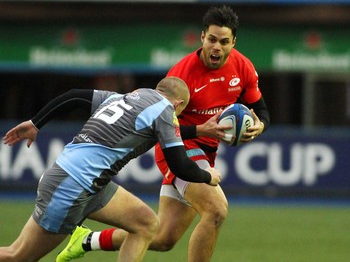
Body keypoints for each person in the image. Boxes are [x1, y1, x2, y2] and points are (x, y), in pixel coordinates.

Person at [59, 5, 270, 262]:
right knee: (216, 211)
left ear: (233, 42)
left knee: (162, 238)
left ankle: (87, 239)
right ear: (202, 37)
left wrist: (260, 125)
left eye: (224, 42)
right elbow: (160, 127)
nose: (217, 47)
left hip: (206, 152)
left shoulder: (243, 66)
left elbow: (260, 108)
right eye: (212, 40)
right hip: (178, 148)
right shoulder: (183, 75)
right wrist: (202, 129)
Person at [0, 77, 222, 262]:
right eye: (180, 111)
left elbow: (75, 96)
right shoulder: (166, 111)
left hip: (87, 182)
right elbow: (180, 165)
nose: (176, 118)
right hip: (70, 187)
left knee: (145, 223)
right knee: (17, 255)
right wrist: (206, 176)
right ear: (178, 104)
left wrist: (36, 122)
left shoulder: (124, 98)